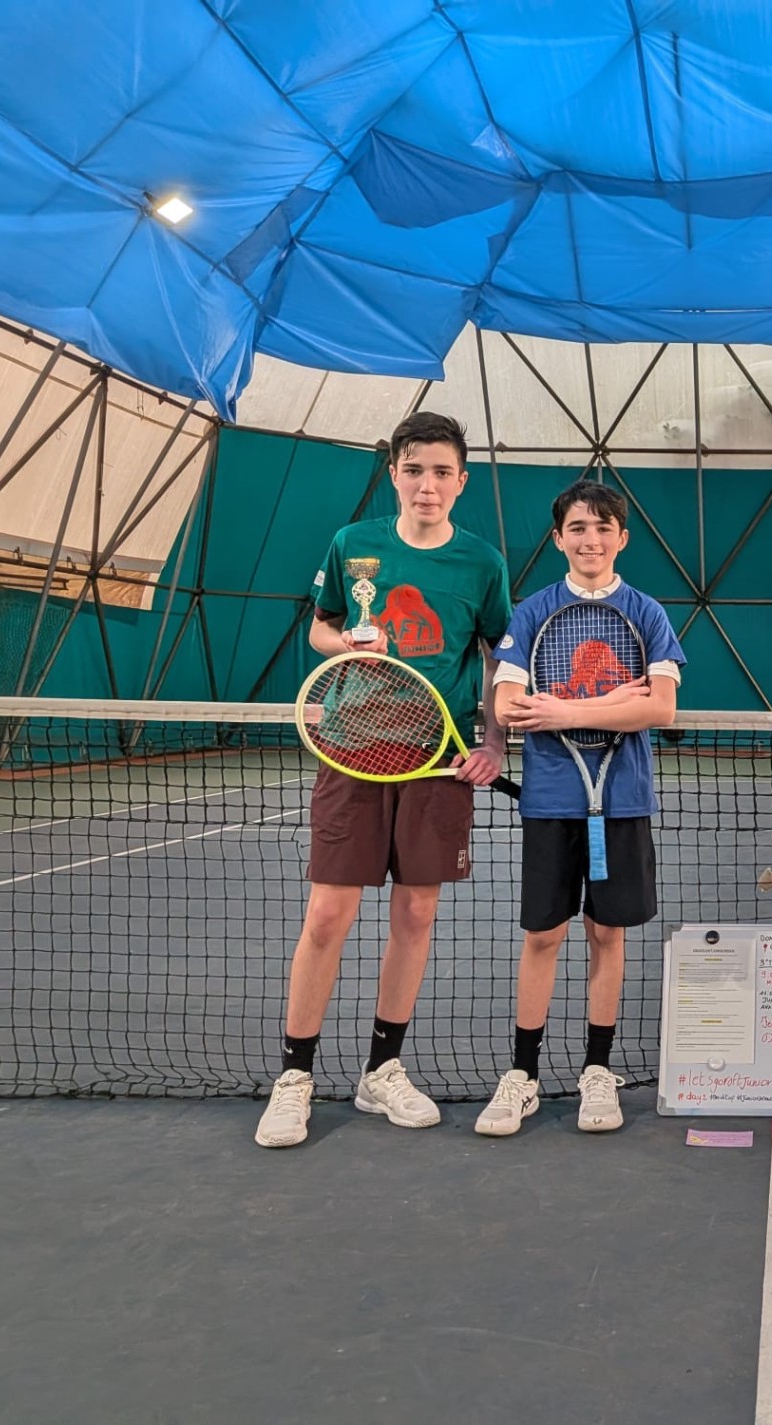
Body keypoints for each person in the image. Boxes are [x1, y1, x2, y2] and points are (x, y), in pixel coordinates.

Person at [256, 412, 512, 1148]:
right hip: (352, 749)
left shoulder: (482, 563)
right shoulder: (352, 545)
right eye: (414, 469)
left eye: (441, 471)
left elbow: (500, 657)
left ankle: (382, 1070)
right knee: (327, 917)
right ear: (394, 474)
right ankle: (295, 1078)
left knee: (416, 917)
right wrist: (348, 639)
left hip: (438, 759)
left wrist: (495, 740)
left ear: (461, 482)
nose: (427, 483)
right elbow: (321, 626)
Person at [474, 480, 684, 1137]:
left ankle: (598, 1071)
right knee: (542, 934)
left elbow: (661, 706)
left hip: (621, 801)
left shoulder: (647, 613)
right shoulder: (533, 612)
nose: (590, 539)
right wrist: (613, 703)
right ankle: (523, 1074)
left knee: (606, 933)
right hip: (550, 802)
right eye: (577, 528)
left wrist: (565, 710)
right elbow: (508, 707)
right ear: (560, 537)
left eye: (602, 527)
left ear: (621, 537)